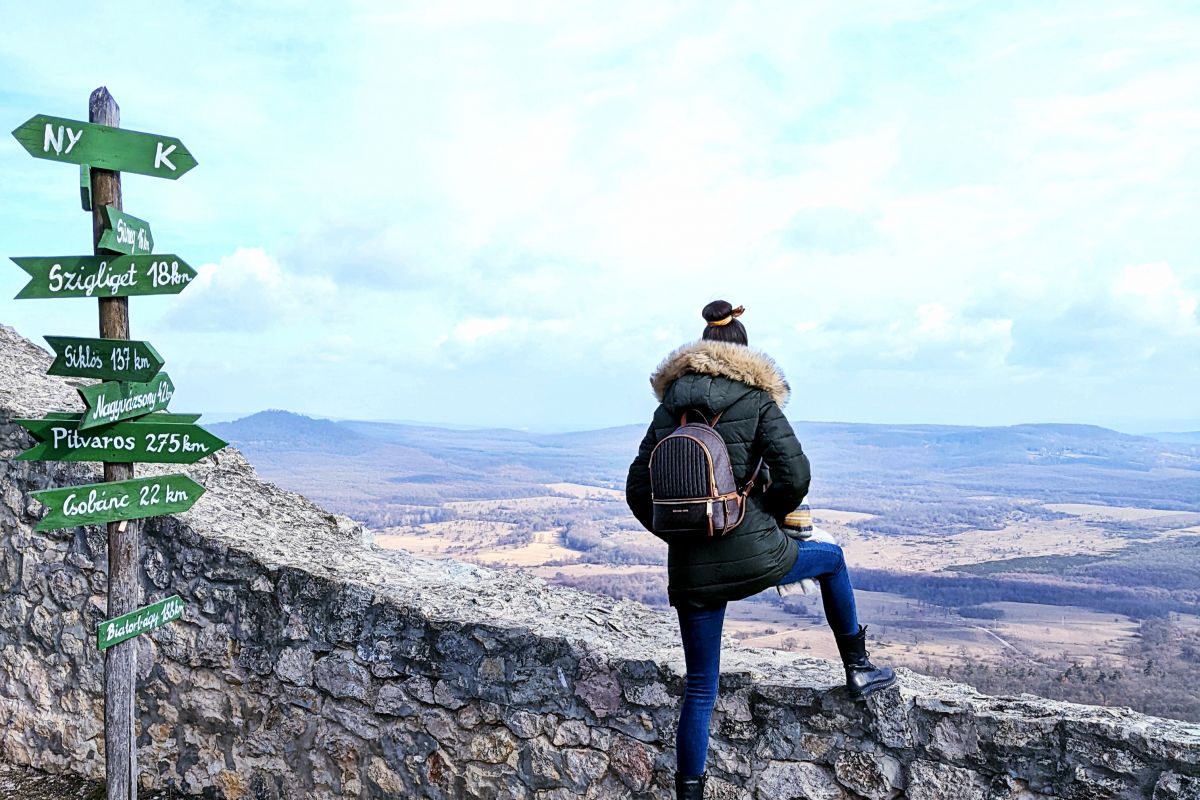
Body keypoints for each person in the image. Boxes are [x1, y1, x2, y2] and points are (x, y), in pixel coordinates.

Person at [625, 300, 896, 800]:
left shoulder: (668, 409)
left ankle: (689, 795)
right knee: (832, 561)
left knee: (700, 687)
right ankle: (858, 668)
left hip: (691, 571)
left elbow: (638, 493)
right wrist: (765, 518)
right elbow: (796, 475)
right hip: (758, 554)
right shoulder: (756, 400)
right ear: (743, 351)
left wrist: (684, 533)